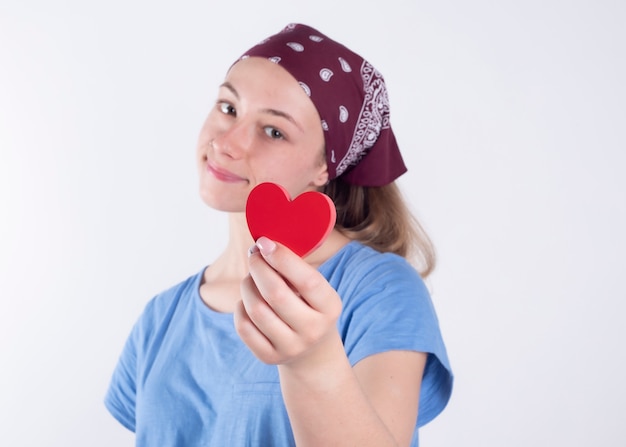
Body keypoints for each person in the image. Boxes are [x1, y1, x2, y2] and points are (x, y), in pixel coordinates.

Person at [105, 23, 453, 446]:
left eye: (274, 131)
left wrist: (313, 361)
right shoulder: (159, 319)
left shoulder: (380, 290)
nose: (227, 143)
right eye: (229, 108)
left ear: (325, 167)